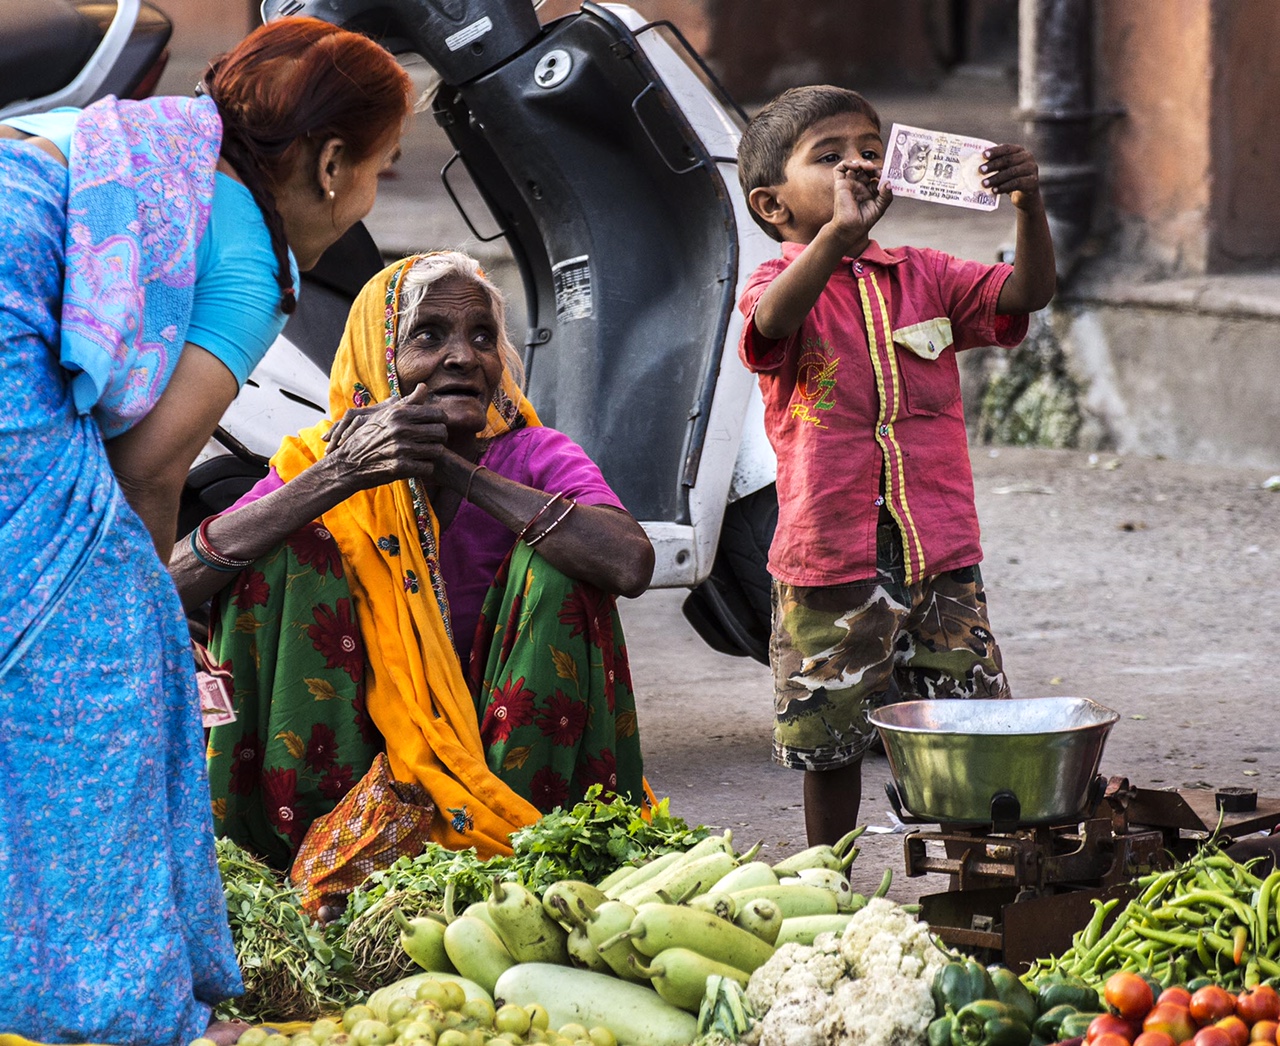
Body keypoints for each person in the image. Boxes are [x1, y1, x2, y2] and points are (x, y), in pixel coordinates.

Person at [0, 17, 412, 1045]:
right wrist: (148, 617)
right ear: (326, 166)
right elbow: (148, 465)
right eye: (378, 172)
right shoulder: (243, 252)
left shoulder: (130, 142)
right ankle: (122, 1010)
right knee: (100, 688)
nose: (368, 200)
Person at [171, 251, 653, 871]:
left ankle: (529, 838)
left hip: (509, 749)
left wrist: (453, 466)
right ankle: (304, 846)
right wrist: (340, 476)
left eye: (483, 338)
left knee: (565, 556)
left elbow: (629, 563)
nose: (464, 356)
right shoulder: (319, 459)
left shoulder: (535, 455)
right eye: (428, 335)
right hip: (357, 750)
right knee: (290, 549)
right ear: (379, 359)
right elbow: (172, 587)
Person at [735, 85, 1056, 847]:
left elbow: (1027, 292)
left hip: (939, 556)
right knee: (831, 741)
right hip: (829, 563)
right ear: (773, 205)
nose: (860, 165)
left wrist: (1028, 207)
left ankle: (976, 879)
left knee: (968, 731)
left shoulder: (928, 273)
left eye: (872, 151)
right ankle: (827, 884)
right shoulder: (773, 285)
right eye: (831, 156)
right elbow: (770, 324)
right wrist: (834, 243)